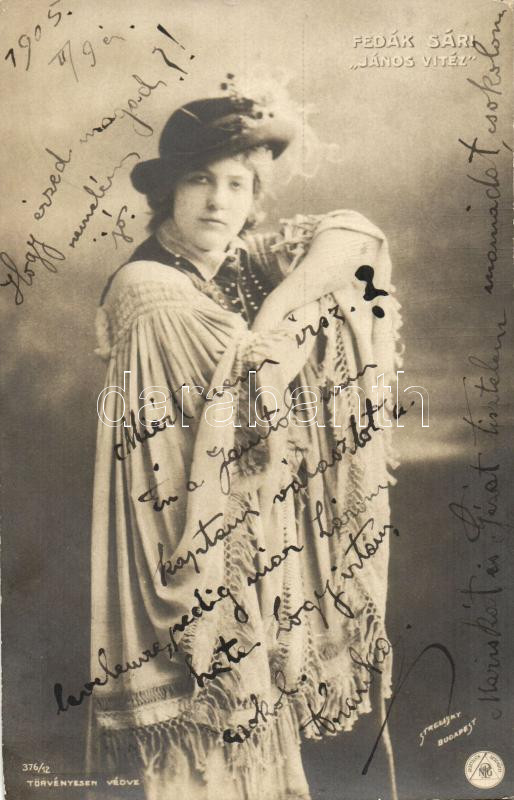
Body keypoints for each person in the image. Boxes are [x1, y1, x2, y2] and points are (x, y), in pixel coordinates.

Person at [89, 83, 402, 800]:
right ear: (168, 191)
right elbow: (249, 401)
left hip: (252, 543)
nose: (218, 201)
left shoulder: (235, 265)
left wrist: (276, 315)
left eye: (238, 184)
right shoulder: (151, 289)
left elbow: (358, 240)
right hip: (187, 544)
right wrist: (277, 344)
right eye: (199, 180)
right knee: (207, 756)